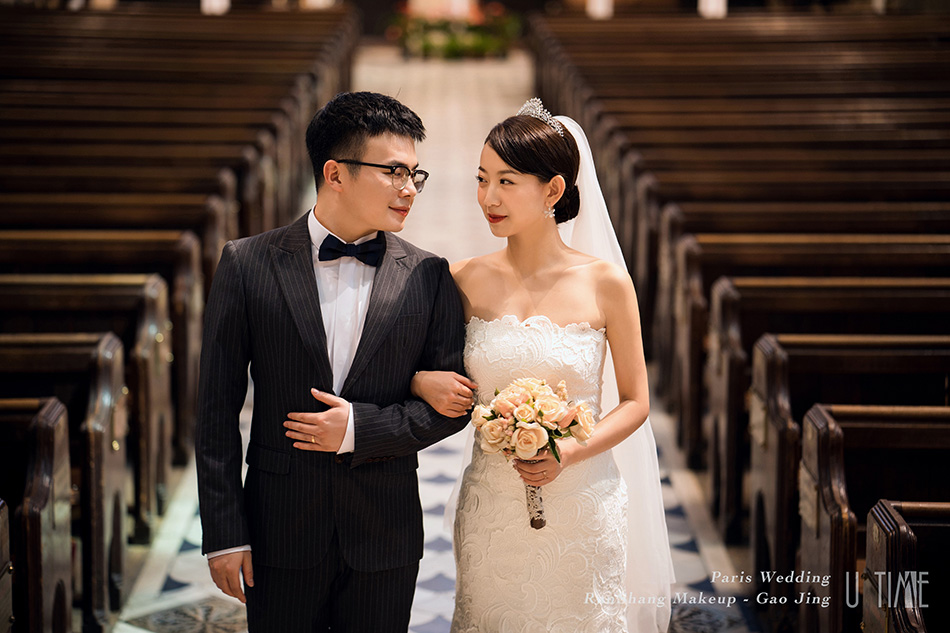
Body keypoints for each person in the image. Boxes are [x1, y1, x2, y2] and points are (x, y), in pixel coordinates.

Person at [195, 91, 475, 632]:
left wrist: (359, 430)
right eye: (394, 171)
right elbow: (215, 411)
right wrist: (225, 533)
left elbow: (452, 408)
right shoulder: (247, 264)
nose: (409, 189)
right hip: (279, 528)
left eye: (415, 174)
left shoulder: (429, 275)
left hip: (384, 532)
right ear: (335, 173)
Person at [411, 99, 675, 632]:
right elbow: (415, 369)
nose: (488, 197)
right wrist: (420, 381)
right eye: (482, 179)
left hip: (584, 500)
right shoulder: (461, 279)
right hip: (493, 504)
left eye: (506, 182)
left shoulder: (607, 283)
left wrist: (570, 452)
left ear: (553, 190)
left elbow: (635, 402)